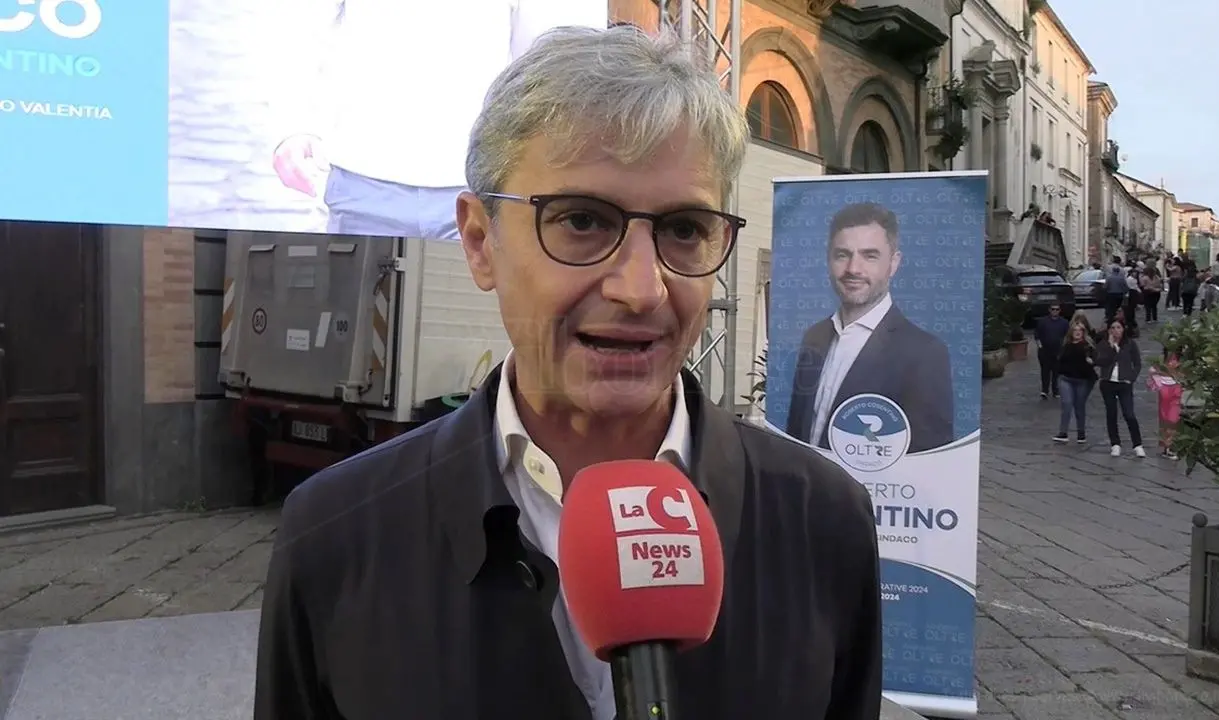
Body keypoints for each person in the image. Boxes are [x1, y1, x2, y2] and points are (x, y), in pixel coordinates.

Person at [253, 26, 883, 720]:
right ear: (479, 241)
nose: (641, 289)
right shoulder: (335, 533)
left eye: (683, 229)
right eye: (582, 221)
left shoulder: (824, 521)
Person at [268, 0, 603, 238]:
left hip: (479, 185)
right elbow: (303, 25)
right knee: (352, 309)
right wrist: (293, 125)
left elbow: (554, 56)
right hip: (363, 178)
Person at [785, 202, 954, 453]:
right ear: (828, 259)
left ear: (894, 263)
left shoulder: (924, 353)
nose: (853, 269)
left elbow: (928, 459)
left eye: (870, 255)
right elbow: (795, 436)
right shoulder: (814, 336)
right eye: (842, 255)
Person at [1095, 318, 1146, 458]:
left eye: (1118, 327)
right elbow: (1099, 361)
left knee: (1129, 414)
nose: (1116, 330)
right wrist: (1111, 347)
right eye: (1113, 328)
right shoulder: (1104, 344)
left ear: (1123, 329)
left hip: (1124, 383)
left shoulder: (1130, 344)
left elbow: (1137, 363)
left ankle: (1137, 444)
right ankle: (1115, 444)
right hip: (1108, 382)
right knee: (1111, 413)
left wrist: (1131, 378)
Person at [1054, 322, 1096, 444]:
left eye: (1080, 330)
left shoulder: (1087, 347)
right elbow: (1059, 360)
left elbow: (1094, 360)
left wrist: (1091, 361)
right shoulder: (1065, 345)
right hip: (1065, 378)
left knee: (1079, 406)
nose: (1077, 332)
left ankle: (1081, 433)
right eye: (1075, 330)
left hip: (1082, 380)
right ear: (1071, 332)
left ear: (1083, 333)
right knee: (1067, 403)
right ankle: (1063, 432)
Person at [1147, 348, 1183, 460]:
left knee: (1173, 418)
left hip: (1176, 388)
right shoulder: (1161, 359)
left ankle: (1171, 445)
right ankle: (1167, 446)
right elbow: (1152, 369)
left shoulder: (1183, 358)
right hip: (1164, 389)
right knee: (1164, 418)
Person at [1033, 304, 1068, 399]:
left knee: (1057, 372)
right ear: (1049, 310)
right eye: (1053, 309)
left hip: (1058, 351)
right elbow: (1037, 334)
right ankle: (1044, 390)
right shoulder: (1043, 321)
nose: (1055, 311)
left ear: (1060, 310)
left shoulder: (1064, 323)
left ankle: (1055, 391)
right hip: (1045, 350)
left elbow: (1067, 336)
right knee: (1045, 371)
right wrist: (1040, 346)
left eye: (1057, 309)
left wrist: (1064, 348)